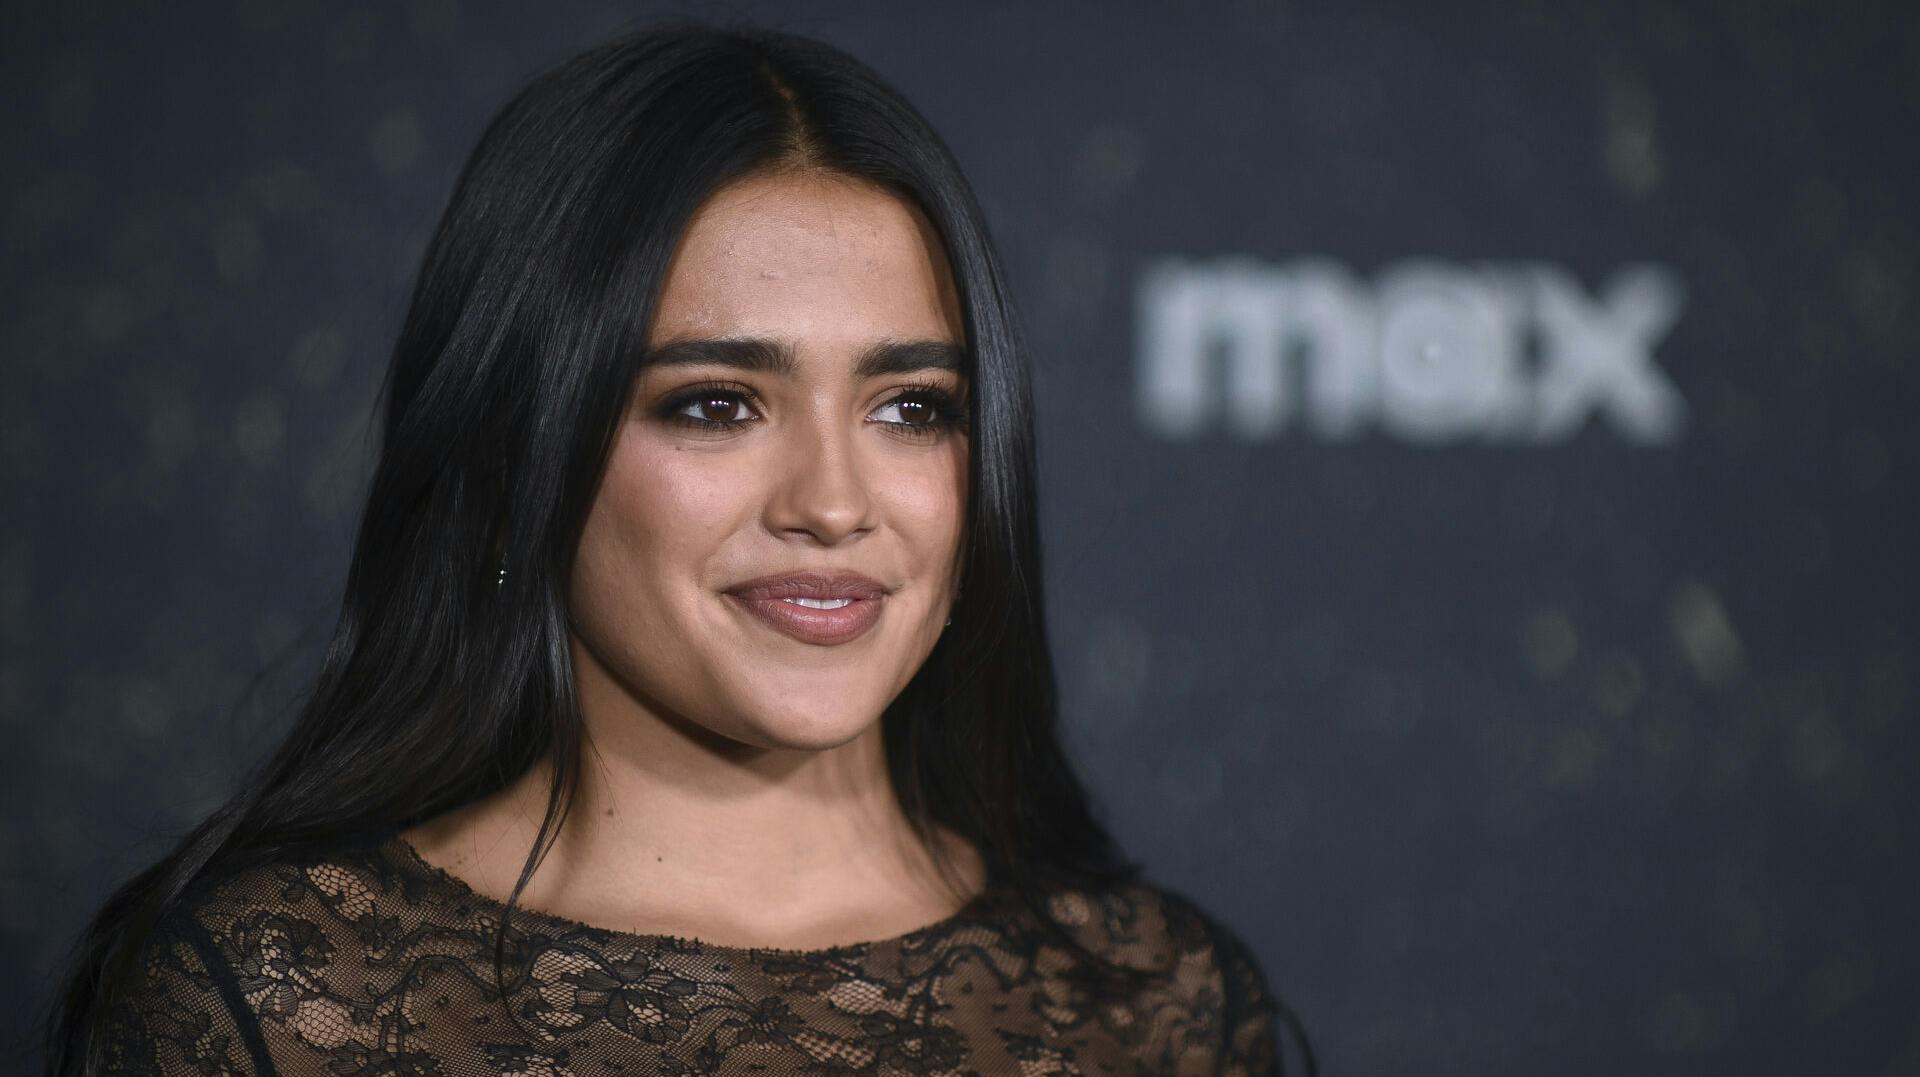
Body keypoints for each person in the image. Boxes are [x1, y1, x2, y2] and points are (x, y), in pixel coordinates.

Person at [46, 24, 1310, 1076]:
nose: (832, 502)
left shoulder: (1154, 1007)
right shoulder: (272, 999)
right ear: (525, 441)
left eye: (911, 407)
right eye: (717, 403)